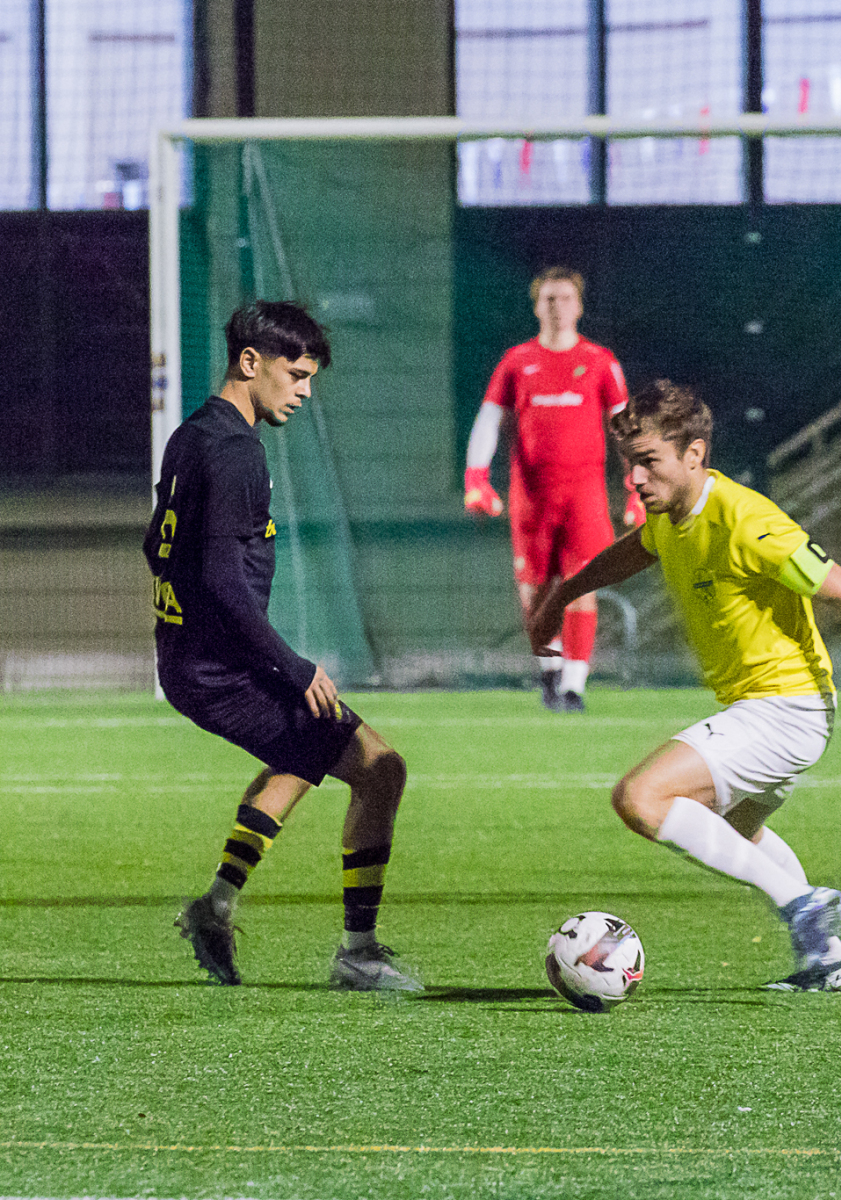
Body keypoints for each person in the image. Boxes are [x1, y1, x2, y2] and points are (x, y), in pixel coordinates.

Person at [529, 380, 841, 991]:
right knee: (737, 832)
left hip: (786, 708)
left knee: (640, 798)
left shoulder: (750, 522)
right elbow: (635, 550)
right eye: (630, 464)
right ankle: (833, 963)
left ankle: (801, 904)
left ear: (694, 454)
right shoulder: (669, 516)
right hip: (770, 708)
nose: (635, 479)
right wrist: (564, 594)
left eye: (648, 461)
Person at [154, 301, 419, 991]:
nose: (303, 392)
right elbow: (221, 579)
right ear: (251, 362)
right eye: (296, 375)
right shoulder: (237, 452)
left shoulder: (192, 435)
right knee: (381, 770)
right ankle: (358, 954)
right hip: (221, 668)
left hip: (195, 659)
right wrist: (292, 666)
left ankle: (215, 906)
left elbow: (160, 548)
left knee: (302, 756)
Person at [464, 266, 645, 713]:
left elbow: (625, 426)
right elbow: (489, 418)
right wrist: (477, 478)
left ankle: (574, 687)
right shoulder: (516, 362)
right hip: (531, 497)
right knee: (535, 592)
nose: (557, 307)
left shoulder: (601, 362)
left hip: (584, 495)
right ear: (536, 306)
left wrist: (638, 486)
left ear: (579, 306)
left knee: (582, 583)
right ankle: (549, 669)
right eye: (549, 299)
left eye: (565, 298)